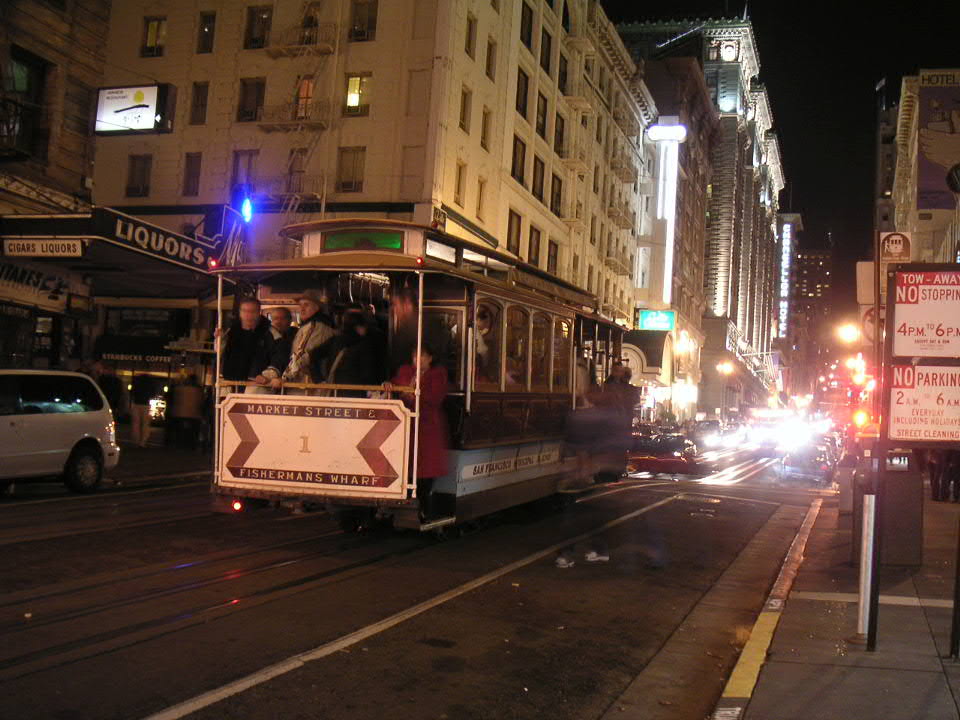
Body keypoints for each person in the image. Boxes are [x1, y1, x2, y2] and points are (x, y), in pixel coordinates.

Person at [384, 345, 449, 520]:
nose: (417, 360)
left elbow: (435, 397)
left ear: (430, 358)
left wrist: (415, 395)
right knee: (406, 463)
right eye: (415, 356)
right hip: (407, 425)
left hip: (427, 426)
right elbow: (394, 384)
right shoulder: (406, 371)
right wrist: (387, 385)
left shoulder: (438, 374)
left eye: (422, 356)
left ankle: (423, 507)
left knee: (426, 467)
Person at [263, 290, 336, 393]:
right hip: (309, 384)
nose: (302, 308)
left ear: (317, 307)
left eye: (306, 305)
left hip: (308, 385)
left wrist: (284, 378)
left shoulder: (314, 326)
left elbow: (301, 355)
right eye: (300, 305)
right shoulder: (313, 326)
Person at [310, 306, 381, 397]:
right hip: (356, 393)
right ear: (359, 326)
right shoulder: (364, 345)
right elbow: (368, 373)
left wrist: (318, 379)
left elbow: (313, 355)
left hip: (334, 392)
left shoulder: (335, 340)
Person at [219, 297, 275, 391]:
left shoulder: (269, 332)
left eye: (252, 311)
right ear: (240, 312)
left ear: (259, 312)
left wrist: (268, 375)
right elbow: (219, 352)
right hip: (230, 380)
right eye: (244, 311)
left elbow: (276, 356)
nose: (248, 315)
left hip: (256, 383)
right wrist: (220, 340)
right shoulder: (231, 330)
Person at [129, 372, 155, 447]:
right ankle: (143, 441)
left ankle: (136, 440)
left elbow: (132, 392)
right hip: (145, 404)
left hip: (136, 403)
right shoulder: (150, 383)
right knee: (145, 424)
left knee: (136, 423)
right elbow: (153, 394)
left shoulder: (136, 382)